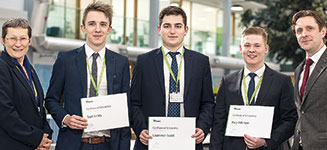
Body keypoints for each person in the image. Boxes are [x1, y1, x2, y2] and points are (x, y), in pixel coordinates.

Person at [45, 1, 130, 150]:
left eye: (103, 24)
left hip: (108, 144)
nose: (98, 29)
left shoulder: (121, 63)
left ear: (109, 29)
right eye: (92, 24)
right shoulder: (66, 60)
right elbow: (51, 100)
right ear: (83, 28)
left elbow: (125, 108)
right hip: (75, 143)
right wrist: (66, 119)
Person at [130, 6, 215, 150]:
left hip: (189, 141)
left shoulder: (201, 62)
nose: (172, 31)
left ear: (186, 30)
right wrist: (141, 129)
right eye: (167, 26)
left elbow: (208, 103)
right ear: (159, 29)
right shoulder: (144, 61)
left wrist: (202, 128)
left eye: (178, 26)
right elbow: (134, 102)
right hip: (152, 141)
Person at [209, 27, 298, 150]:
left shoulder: (282, 81)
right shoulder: (227, 82)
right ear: (241, 49)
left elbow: (291, 119)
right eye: (247, 45)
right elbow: (219, 123)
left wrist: (266, 141)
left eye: (257, 46)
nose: (251, 50)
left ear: (266, 49)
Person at [0, 18, 53, 149]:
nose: (18, 44)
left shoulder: (29, 68)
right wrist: (36, 138)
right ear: (2, 40)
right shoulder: (2, 67)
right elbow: (5, 113)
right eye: (12, 38)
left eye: (23, 39)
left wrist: (45, 135)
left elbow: (38, 107)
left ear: (29, 41)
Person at [291, 10, 327, 150]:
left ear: (323, 32)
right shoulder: (299, 70)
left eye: (309, 28)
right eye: (299, 31)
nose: (304, 34)